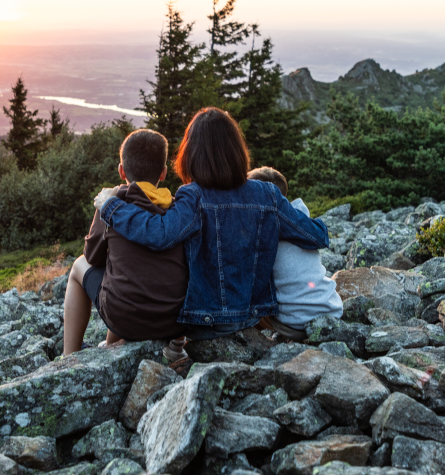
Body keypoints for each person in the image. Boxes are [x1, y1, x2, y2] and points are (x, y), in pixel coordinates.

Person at [93, 107, 329, 341]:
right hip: (250, 317)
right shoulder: (268, 194)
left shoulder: (192, 196)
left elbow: (159, 234)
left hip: (204, 323)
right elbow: (318, 236)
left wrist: (110, 206)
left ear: (191, 154)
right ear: (237, 151)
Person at [62, 129, 188, 358]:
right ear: (163, 173)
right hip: (174, 320)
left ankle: (69, 356)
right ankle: (120, 345)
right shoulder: (176, 208)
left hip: (125, 320)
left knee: (79, 266)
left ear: (121, 171)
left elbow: (92, 256)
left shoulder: (112, 203)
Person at [246, 167, 342, 341]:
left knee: (245, 304)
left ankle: (256, 345)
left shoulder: (260, 233)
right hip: (332, 311)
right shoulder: (302, 224)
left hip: (296, 325)